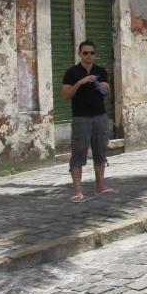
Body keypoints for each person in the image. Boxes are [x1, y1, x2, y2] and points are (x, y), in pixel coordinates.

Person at [62, 40, 113, 202]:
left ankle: (100, 187)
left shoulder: (101, 71)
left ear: (95, 54)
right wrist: (79, 83)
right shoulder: (72, 72)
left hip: (100, 117)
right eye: (85, 53)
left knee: (100, 153)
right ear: (80, 54)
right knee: (78, 155)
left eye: (92, 53)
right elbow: (65, 96)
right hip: (81, 118)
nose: (89, 55)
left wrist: (107, 89)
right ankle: (77, 192)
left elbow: (107, 97)